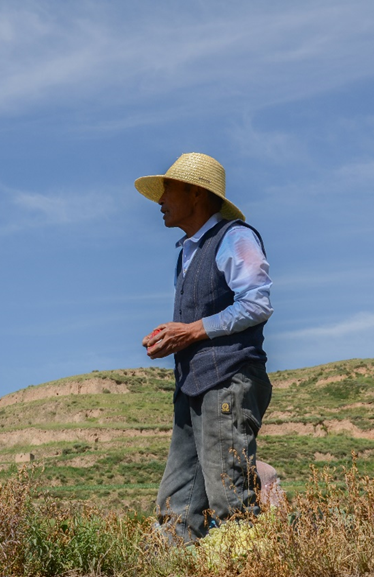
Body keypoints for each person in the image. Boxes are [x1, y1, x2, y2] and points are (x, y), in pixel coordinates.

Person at [135, 152, 273, 541]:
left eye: (167, 190)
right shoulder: (186, 252)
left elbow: (258, 303)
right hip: (194, 384)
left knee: (232, 501)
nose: (159, 201)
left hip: (228, 381)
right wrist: (173, 338)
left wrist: (192, 331)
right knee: (177, 505)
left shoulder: (236, 237)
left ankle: (247, 564)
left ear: (195, 193)